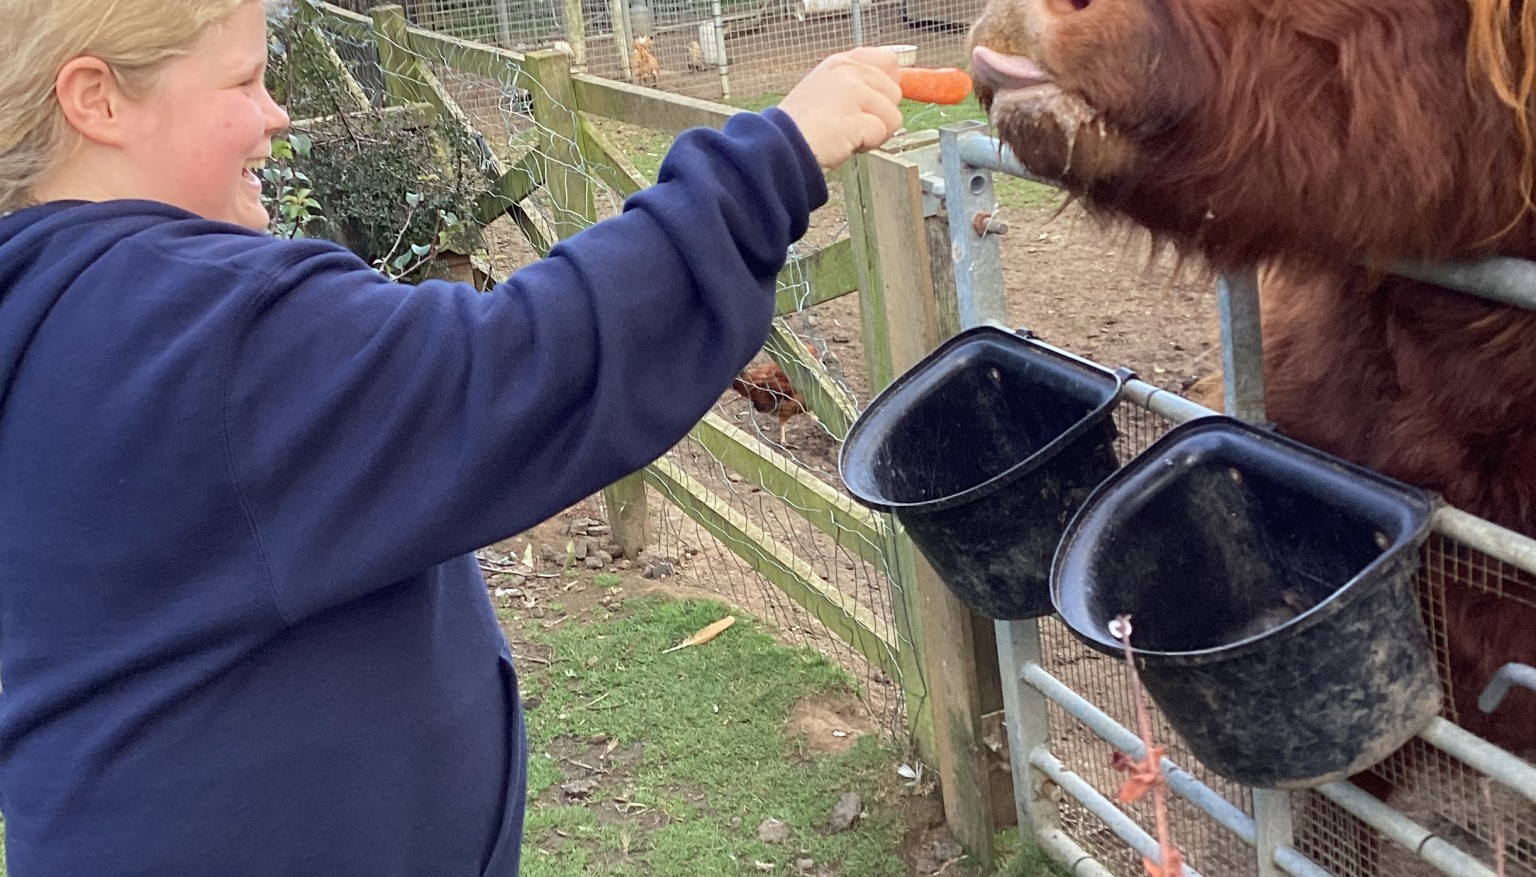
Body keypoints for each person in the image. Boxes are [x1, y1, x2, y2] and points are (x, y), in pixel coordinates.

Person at [0, 0, 904, 872]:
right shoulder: (190, 330)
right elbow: (516, 363)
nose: (276, 116)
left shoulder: (47, 312)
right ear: (98, 99)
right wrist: (772, 162)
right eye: (244, 81)